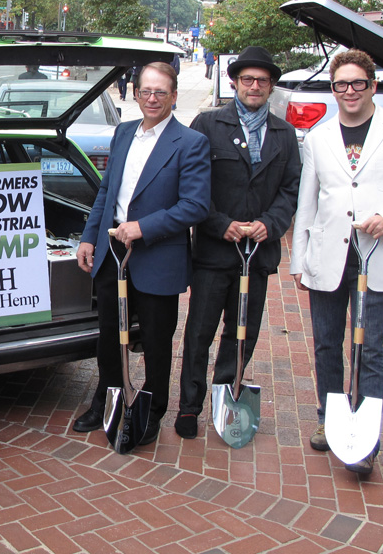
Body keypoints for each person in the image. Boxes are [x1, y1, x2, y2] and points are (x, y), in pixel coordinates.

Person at [291, 49, 383, 475]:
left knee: (368, 348)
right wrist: (299, 258)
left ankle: (366, 436)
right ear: (333, 90)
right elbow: (308, 202)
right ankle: (328, 418)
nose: (349, 92)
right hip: (328, 255)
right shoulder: (318, 137)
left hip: (375, 252)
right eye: (340, 85)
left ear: (372, 85)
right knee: (326, 344)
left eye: (357, 83)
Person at [73, 62, 211, 445]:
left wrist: (144, 227)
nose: (151, 99)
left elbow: (195, 206)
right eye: (145, 91)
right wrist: (89, 237)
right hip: (112, 249)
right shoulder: (122, 133)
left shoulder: (190, 143)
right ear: (134, 93)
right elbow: (106, 192)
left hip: (157, 257)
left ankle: (151, 409)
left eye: (160, 93)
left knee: (155, 339)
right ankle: (107, 397)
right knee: (108, 335)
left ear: (174, 96)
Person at [175, 46, 301, 439]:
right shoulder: (208, 124)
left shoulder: (285, 134)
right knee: (199, 332)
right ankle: (189, 406)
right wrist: (218, 223)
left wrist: (271, 223)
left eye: (262, 81)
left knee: (242, 331)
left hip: (257, 254)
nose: (254, 86)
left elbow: (291, 188)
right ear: (234, 82)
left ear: (271, 86)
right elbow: (190, 184)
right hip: (215, 252)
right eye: (247, 79)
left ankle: (224, 398)